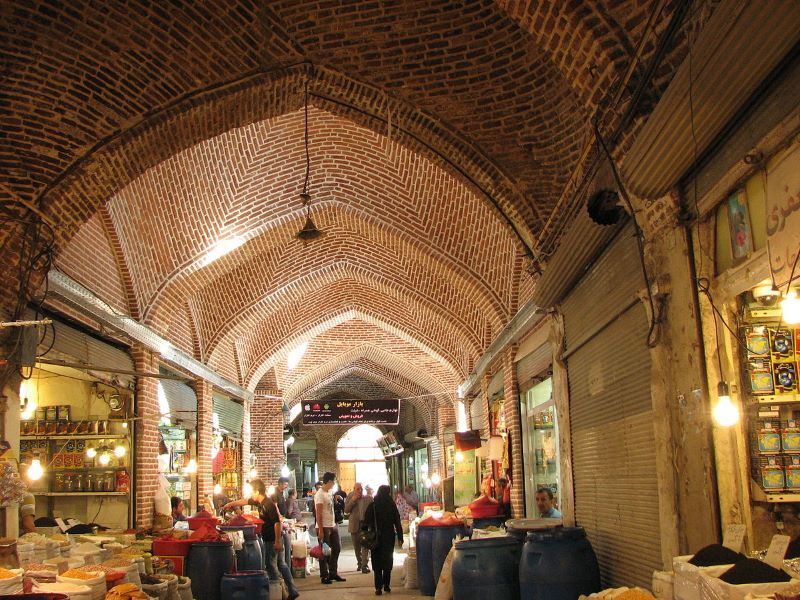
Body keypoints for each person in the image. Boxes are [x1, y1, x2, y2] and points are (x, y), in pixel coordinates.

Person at [223, 479, 300, 600]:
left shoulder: (268, 504)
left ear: (257, 491)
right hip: (272, 538)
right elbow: (245, 501)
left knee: (271, 565)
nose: (251, 495)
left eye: (252, 492)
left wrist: (277, 541)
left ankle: (280, 592)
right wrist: (230, 504)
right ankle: (291, 590)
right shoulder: (260, 502)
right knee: (281, 564)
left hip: (272, 539)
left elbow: (277, 523)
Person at [362, 485, 403, 596]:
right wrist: (400, 537)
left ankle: (378, 587)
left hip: (376, 538)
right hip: (388, 537)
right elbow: (397, 521)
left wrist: (365, 534)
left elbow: (365, 522)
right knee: (387, 560)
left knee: (377, 562)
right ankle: (387, 585)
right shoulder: (391, 505)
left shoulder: (373, 505)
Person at [315, 472, 345, 584]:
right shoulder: (319, 494)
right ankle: (324, 575)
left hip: (332, 525)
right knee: (325, 552)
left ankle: (333, 572)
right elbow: (318, 513)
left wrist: (335, 498)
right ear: (329, 481)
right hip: (324, 526)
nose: (334, 484)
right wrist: (321, 530)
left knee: (337, 548)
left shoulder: (330, 492)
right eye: (334, 481)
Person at [345, 482, 374, 574]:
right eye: (358, 489)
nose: (360, 491)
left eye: (361, 489)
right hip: (354, 524)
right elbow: (346, 510)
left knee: (365, 545)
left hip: (364, 524)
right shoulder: (350, 497)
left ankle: (365, 565)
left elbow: (373, 510)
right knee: (356, 546)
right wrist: (353, 500)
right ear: (354, 489)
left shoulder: (368, 498)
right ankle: (360, 562)